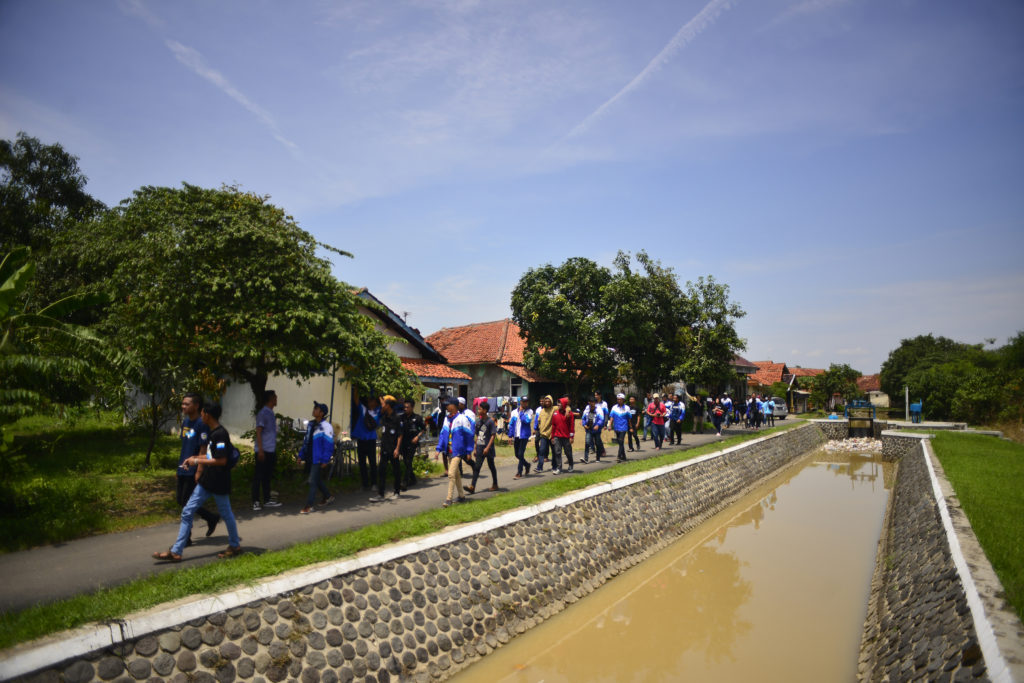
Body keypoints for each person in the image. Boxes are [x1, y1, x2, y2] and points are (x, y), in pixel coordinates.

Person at [154, 401, 240, 562]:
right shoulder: (214, 433)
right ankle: (176, 551)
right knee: (187, 511)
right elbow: (210, 456)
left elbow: (221, 460)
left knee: (226, 514)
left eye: (202, 413)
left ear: (207, 415)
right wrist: (194, 458)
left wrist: (197, 463)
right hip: (207, 481)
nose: (201, 416)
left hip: (219, 481)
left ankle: (235, 545)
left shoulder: (220, 434)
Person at [174, 393, 219, 545]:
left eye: (187, 404)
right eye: (183, 403)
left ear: (196, 405)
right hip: (183, 467)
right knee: (181, 500)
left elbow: (203, 448)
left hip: (194, 468)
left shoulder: (202, 423)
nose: (183, 406)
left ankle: (186, 538)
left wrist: (199, 470)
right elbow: (184, 446)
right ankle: (211, 517)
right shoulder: (186, 421)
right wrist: (178, 468)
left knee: (187, 503)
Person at [300, 402, 335, 514]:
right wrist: (301, 455)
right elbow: (306, 441)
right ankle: (328, 496)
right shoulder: (311, 424)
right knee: (316, 479)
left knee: (312, 481)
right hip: (310, 456)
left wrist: (326, 459)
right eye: (314, 408)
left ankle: (309, 506)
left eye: (317, 409)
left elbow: (329, 445)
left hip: (318, 458)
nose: (314, 410)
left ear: (322, 413)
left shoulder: (326, 427)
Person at [437, 400, 473, 507]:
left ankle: (449, 499)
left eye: (448, 405)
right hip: (449, 451)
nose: (446, 407)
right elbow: (442, 434)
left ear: (454, 406)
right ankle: (461, 496)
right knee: (456, 475)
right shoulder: (446, 419)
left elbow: (469, 435)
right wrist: (438, 448)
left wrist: (469, 450)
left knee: (451, 474)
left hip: (458, 451)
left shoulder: (462, 419)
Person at [252, 390, 282, 511]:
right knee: (258, 476)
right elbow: (259, 431)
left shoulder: (270, 413)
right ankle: (255, 501)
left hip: (270, 449)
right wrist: (260, 450)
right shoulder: (263, 413)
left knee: (267, 476)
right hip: (263, 450)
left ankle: (267, 499)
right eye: (275, 397)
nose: (276, 399)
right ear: (271, 399)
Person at [370, 396, 404, 502]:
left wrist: (397, 449)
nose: (382, 406)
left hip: (393, 449)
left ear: (388, 405)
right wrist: (382, 399)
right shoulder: (384, 416)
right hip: (384, 448)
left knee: (396, 471)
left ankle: (397, 492)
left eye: (384, 404)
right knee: (381, 471)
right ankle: (381, 494)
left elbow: (400, 435)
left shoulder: (397, 418)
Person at [351, 390, 380, 492]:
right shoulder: (364, 410)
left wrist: (379, 393)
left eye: (371, 400)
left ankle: (374, 483)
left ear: (376, 402)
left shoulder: (378, 411)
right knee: (362, 463)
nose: (369, 402)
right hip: (361, 439)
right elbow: (356, 400)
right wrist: (357, 387)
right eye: (368, 400)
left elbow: (385, 404)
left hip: (371, 440)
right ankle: (364, 484)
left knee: (372, 463)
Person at [466, 401, 498, 493]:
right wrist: (475, 448)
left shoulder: (490, 422)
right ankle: (472, 487)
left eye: (480, 409)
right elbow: (478, 436)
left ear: (485, 410)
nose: (478, 410)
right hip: (480, 447)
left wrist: (487, 448)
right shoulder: (479, 422)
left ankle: (495, 484)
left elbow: (493, 435)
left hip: (488, 448)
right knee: (477, 467)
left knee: (491, 466)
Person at [400, 397, 426, 490]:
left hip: (412, 443)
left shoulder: (417, 418)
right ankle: (413, 479)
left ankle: (404, 482)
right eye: (404, 407)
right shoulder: (401, 417)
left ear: (412, 407)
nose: (405, 409)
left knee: (408, 461)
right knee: (406, 462)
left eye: (407, 407)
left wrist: (417, 437)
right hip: (403, 443)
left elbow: (424, 429)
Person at [507, 396, 533, 479]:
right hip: (516, 435)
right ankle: (527, 464)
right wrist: (510, 436)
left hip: (524, 435)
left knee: (521, 453)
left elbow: (527, 421)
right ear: (520, 402)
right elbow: (511, 424)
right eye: (524, 402)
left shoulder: (530, 411)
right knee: (517, 455)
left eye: (527, 402)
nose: (525, 403)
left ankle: (519, 472)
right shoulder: (514, 412)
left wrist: (521, 413)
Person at [550, 397, 575, 473]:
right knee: (557, 452)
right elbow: (553, 426)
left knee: (568, 452)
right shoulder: (555, 413)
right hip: (557, 436)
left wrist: (571, 437)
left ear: (564, 404)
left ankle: (571, 465)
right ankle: (559, 468)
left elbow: (571, 426)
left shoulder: (569, 414)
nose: (558, 404)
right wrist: (552, 436)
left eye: (560, 403)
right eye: (558, 403)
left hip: (566, 437)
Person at [581, 397, 606, 463]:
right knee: (587, 443)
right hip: (589, 429)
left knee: (597, 443)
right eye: (590, 402)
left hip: (596, 430)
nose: (592, 404)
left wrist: (597, 425)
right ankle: (586, 458)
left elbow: (601, 419)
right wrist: (584, 425)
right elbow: (583, 418)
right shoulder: (587, 409)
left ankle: (598, 458)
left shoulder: (598, 409)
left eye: (593, 402)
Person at [534, 395, 554, 472]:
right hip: (543, 434)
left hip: (552, 434)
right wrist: (538, 428)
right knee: (542, 450)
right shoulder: (541, 410)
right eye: (546, 401)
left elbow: (565, 407)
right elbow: (538, 420)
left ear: (551, 402)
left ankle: (554, 466)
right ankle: (539, 467)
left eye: (549, 401)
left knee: (554, 451)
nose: (547, 402)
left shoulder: (554, 409)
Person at [609, 393, 632, 462]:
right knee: (620, 442)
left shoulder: (627, 408)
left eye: (620, 399)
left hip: (624, 427)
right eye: (618, 399)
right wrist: (610, 425)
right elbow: (612, 417)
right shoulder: (614, 407)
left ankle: (619, 456)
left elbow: (629, 419)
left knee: (621, 441)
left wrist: (630, 427)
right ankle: (624, 456)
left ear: (623, 400)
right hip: (616, 427)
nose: (618, 401)